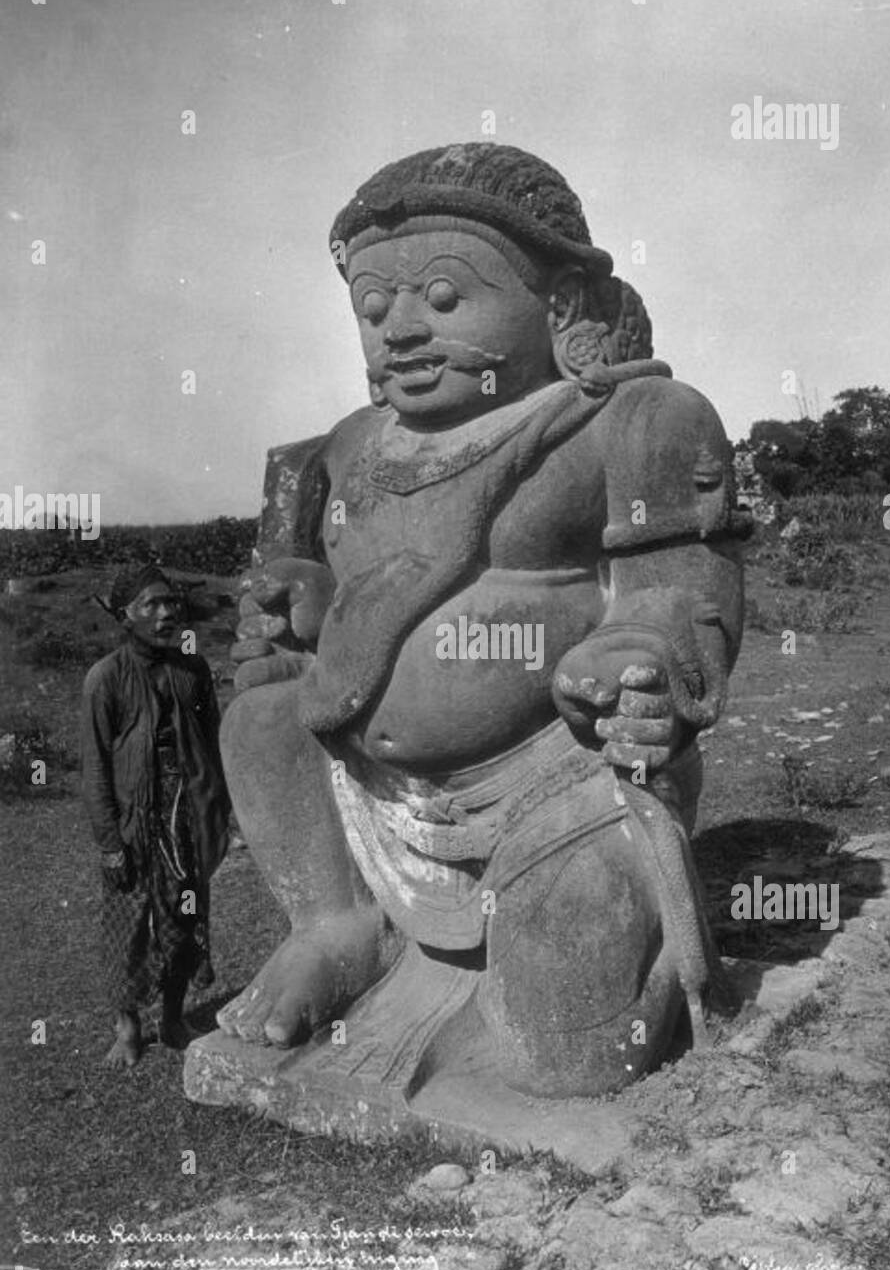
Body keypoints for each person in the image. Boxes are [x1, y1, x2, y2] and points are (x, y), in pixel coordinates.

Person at [215, 142, 750, 1099]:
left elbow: (681, 583)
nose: (403, 331)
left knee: (572, 1059)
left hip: (555, 777)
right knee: (261, 720)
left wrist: (643, 650)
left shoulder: (630, 422)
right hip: (372, 787)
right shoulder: (347, 449)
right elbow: (376, 600)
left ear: (564, 306)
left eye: (446, 298)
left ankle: (558, 958)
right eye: (374, 310)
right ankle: (336, 925)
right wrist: (312, 602)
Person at [80, 564, 230, 1068]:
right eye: (152, 604)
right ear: (126, 616)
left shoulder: (193, 670)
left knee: (185, 919)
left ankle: (171, 1017)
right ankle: (127, 1029)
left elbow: (214, 743)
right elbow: (96, 769)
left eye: (171, 603)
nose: (166, 613)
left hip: (187, 818)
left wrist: (219, 813)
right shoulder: (106, 678)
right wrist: (110, 843)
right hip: (135, 823)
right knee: (130, 926)